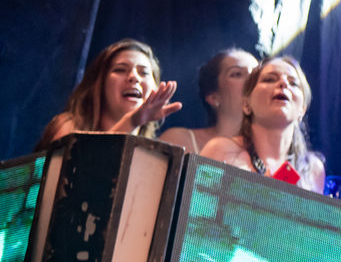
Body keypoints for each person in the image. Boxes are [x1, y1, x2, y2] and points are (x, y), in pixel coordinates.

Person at [199, 55, 325, 194]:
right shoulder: (221, 151)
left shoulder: (314, 170)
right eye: (269, 79)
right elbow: (196, 206)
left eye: (293, 83)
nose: (283, 83)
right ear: (246, 104)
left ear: (302, 109)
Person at [34, 38, 181, 151]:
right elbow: (82, 174)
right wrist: (132, 121)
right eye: (120, 70)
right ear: (99, 83)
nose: (134, 77)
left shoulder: (150, 155)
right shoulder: (69, 127)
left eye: (144, 73)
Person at [160, 48, 258, 154]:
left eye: (257, 75)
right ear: (213, 97)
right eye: (237, 74)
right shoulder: (180, 141)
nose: (252, 80)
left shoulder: (267, 152)